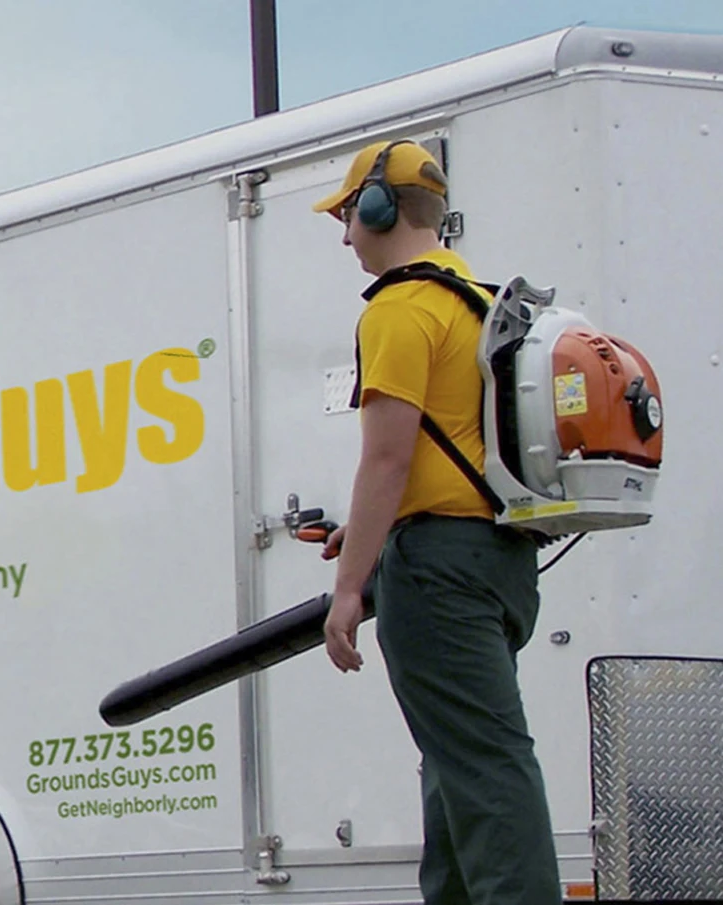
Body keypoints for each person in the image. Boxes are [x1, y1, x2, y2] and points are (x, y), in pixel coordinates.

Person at [312, 140, 559, 905]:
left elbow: (387, 459)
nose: (345, 233)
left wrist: (349, 591)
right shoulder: (475, 300)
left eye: (348, 215)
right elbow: (446, 453)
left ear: (378, 209)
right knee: (453, 765)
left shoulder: (397, 309)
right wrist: (364, 534)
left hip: (438, 573)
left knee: (486, 768)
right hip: (501, 562)